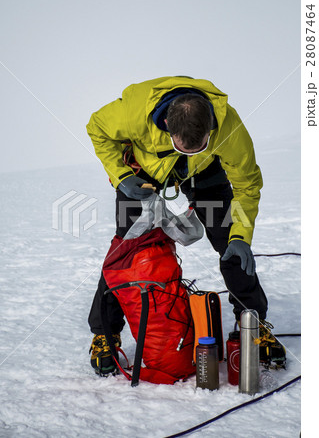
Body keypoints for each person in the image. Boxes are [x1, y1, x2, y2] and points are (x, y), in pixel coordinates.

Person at [86, 76, 286, 375]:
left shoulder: (228, 125)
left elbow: (247, 183)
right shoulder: (132, 113)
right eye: (183, 145)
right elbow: (97, 129)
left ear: (210, 129)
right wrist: (122, 176)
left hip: (206, 178)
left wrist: (241, 236)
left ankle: (253, 323)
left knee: (232, 249)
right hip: (145, 179)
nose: (190, 150)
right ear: (167, 124)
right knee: (126, 253)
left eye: (201, 144)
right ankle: (105, 333)